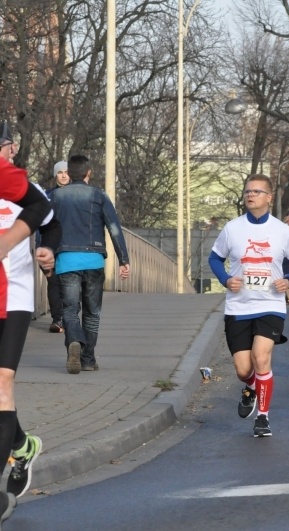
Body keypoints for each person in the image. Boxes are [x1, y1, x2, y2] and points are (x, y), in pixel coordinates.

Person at [208, 174, 289, 437]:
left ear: (268, 197)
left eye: (256, 191)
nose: (250, 195)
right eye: (247, 191)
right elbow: (215, 258)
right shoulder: (232, 228)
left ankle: (262, 417)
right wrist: (226, 279)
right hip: (238, 307)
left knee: (261, 357)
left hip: (270, 304)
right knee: (243, 369)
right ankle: (251, 386)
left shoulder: (281, 230)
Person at [0, 136, 59, 524]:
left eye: (7, 146)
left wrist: (47, 250)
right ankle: (22, 446)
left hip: (14, 293)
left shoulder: (18, 184)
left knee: (2, 380)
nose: (7, 151)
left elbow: (49, 220)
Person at [50, 154, 131, 374]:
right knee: (92, 313)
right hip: (94, 261)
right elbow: (114, 227)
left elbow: (44, 228)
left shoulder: (55, 196)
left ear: (70, 173)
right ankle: (88, 360)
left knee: (69, 310)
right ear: (88, 173)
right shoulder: (99, 196)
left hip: (66, 260)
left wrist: (46, 256)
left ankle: (74, 340)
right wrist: (123, 259)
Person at [44, 161, 70, 333]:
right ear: (55, 175)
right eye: (59, 172)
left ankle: (68, 319)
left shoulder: (75, 196)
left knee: (68, 283)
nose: (63, 175)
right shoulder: (47, 197)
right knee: (53, 281)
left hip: (70, 246)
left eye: (66, 172)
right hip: (51, 245)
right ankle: (57, 320)